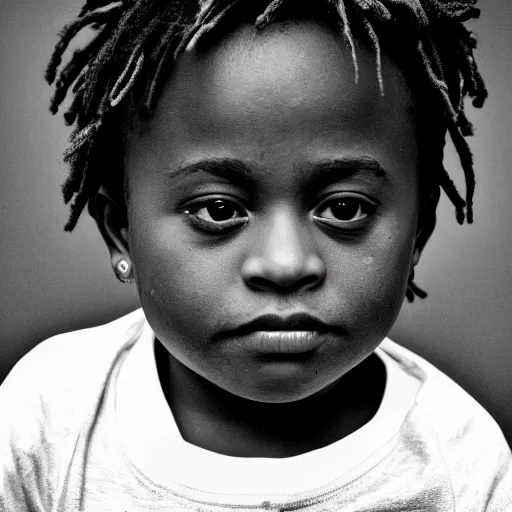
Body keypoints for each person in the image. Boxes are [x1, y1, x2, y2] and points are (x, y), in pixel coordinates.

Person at [1, 0, 510, 510]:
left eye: (345, 208)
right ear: (121, 231)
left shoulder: (463, 463)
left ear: (419, 230)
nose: (285, 265)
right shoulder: (46, 418)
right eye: (219, 210)